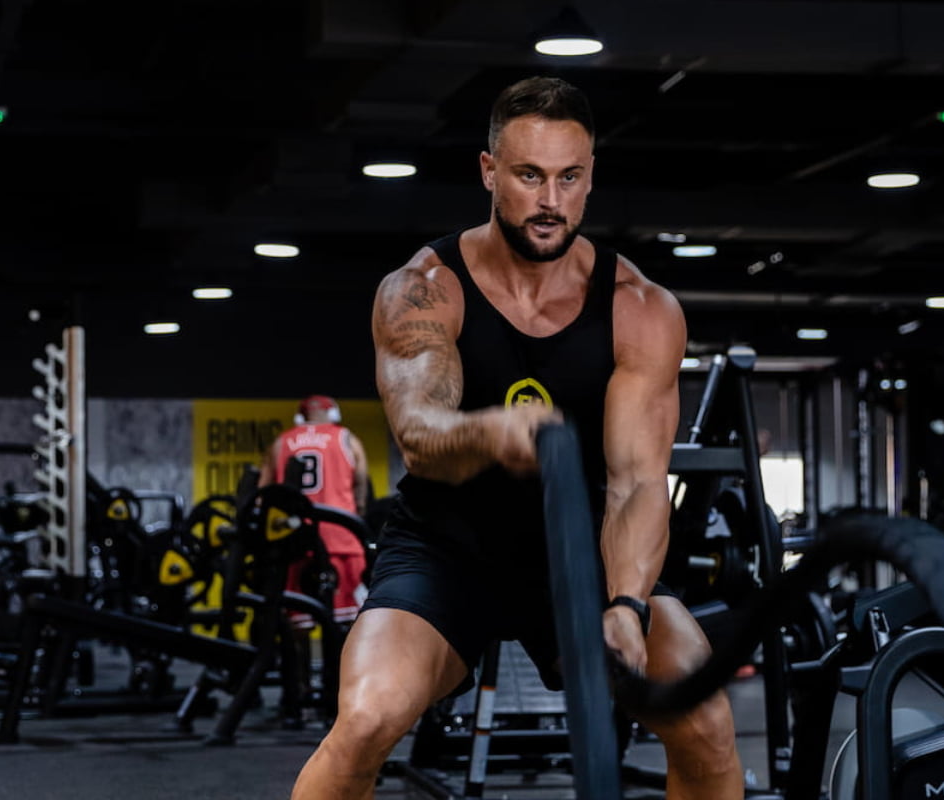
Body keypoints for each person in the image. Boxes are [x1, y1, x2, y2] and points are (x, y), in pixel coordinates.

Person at [290, 76, 743, 799]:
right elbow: (417, 433)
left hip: (583, 553)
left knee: (707, 724)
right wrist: (489, 433)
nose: (551, 200)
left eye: (570, 178)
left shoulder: (640, 309)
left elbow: (635, 483)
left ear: (591, 178)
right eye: (530, 176)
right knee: (368, 718)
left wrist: (625, 605)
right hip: (446, 549)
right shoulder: (425, 288)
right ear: (489, 171)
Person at [260, 394, 370, 625]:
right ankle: (344, 662)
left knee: (298, 622)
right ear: (333, 415)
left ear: (301, 417)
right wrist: (357, 515)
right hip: (342, 538)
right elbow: (361, 486)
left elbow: (263, 495)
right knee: (350, 622)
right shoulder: (347, 438)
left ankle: (297, 662)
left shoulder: (282, 442)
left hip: (297, 540)